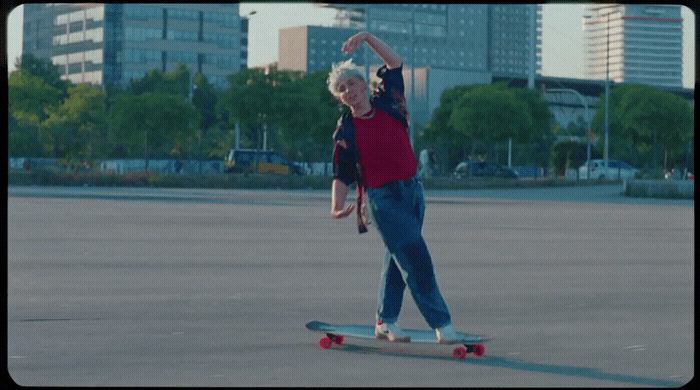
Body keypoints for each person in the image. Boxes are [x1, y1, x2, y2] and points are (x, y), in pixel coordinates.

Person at [327, 32, 459, 344]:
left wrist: (367, 37)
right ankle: (443, 324)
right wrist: (335, 206)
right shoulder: (346, 129)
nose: (348, 91)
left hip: (413, 192)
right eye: (341, 89)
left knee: (397, 259)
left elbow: (395, 63)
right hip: (383, 200)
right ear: (340, 98)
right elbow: (341, 173)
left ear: (363, 84)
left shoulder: (389, 102)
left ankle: (385, 321)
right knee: (416, 259)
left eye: (351, 84)